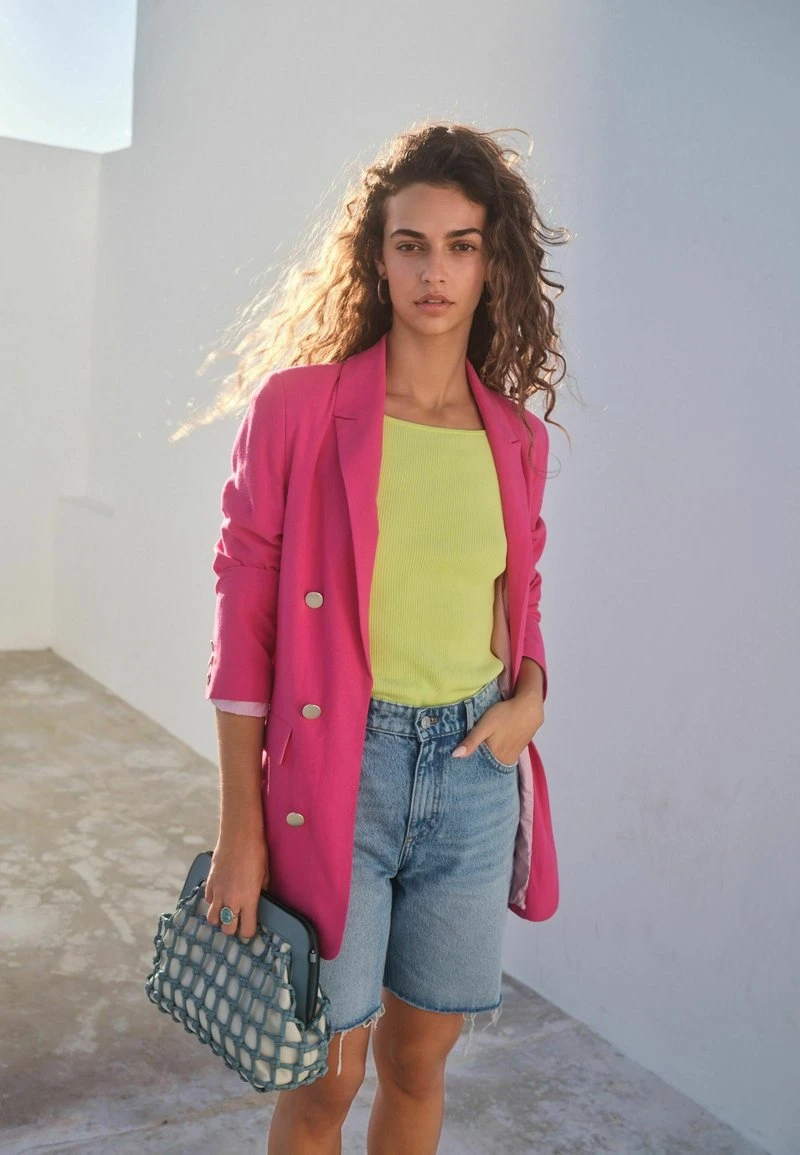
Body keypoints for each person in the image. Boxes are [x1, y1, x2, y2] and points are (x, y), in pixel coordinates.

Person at [193, 121, 569, 1155]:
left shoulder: (516, 439)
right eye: (411, 244)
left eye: (459, 245)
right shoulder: (299, 410)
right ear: (378, 257)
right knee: (324, 1078)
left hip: (473, 778)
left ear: (490, 263)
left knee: (418, 1064)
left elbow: (518, 596)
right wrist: (239, 829)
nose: (433, 271)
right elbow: (242, 615)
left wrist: (531, 694)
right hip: (338, 771)